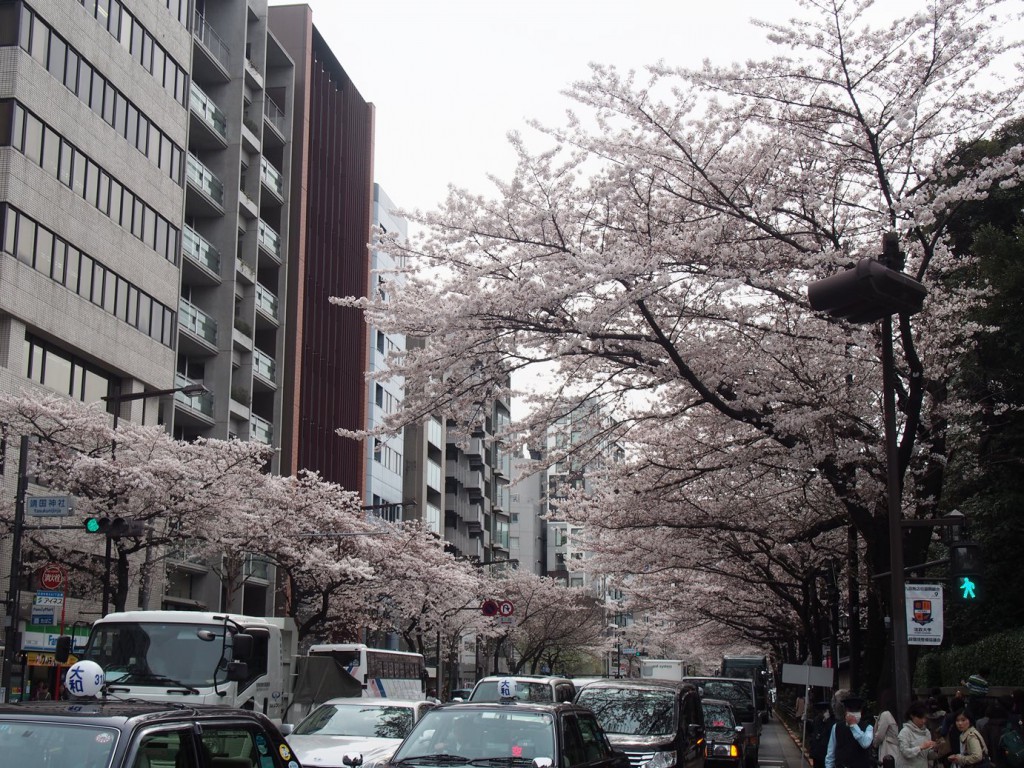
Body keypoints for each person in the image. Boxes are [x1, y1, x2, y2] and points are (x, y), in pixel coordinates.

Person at [826, 693, 875, 768]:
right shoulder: (836, 727)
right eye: (851, 710)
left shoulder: (868, 727)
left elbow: (865, 743)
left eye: (856, 710)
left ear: (860, 711)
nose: (853, 713)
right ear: (846, 711)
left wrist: (853, 725)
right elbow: (830, 753)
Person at [898, 700, 938, 768]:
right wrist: (921, 747)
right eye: (920, 717)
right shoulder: (905, 732)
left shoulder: (926, 732)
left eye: (924, 718)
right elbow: (905, 752)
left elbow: (927, 756)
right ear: (912, 716)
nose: (923, 721)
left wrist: (935, 749)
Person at [875, 693, 900, 767]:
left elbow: (880, 735)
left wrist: (874, 744)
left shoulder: (885, 714)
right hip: (896, 748)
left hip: (887, 748)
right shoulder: (895, 714)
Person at [809, 701, 834, 768]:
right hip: (817, 751)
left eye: (824, 711)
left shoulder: (832, 721)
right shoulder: (817, 720)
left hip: (825, 752)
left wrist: (827, 720)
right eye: (820, 712)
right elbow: (812, 731)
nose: (822, 714)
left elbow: (830, 732)